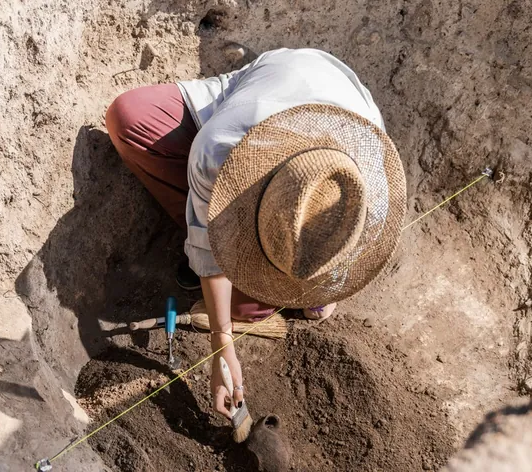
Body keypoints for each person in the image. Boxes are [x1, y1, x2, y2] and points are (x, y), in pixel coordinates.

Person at [105, 48, 406, 422]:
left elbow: (345, 256)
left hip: (336, 95)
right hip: (264, 83)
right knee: (129, 116)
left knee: (270, 304)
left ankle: (282, 281)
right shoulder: (220, 148)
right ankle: (241, 246)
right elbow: (208, 256)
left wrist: (326, 291)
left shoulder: (367, 194)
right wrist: (222, 342)